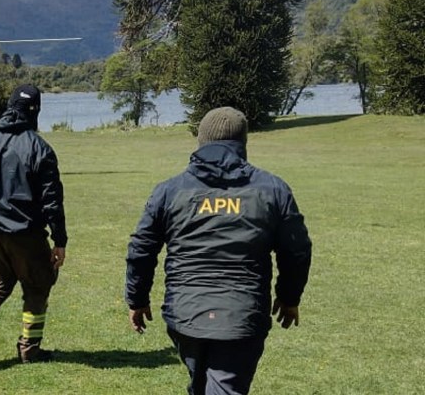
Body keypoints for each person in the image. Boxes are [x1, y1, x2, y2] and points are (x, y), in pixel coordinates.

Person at [124, 106, 312, 395]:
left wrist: (136, 299)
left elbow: (141, 249)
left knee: (204, 386)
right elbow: (296, 251)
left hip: (185, 315)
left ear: (201, 141)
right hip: (241, 317)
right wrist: (289, 298)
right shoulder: (273, 190)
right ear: (243, 144)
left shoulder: (170, 190)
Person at [0, 84, 67, 364]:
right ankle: (29, 347)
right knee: (37, 286)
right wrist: (60, 240)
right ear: (35, 111)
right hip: (26, 235)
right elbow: (52, 200)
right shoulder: (39, 148)